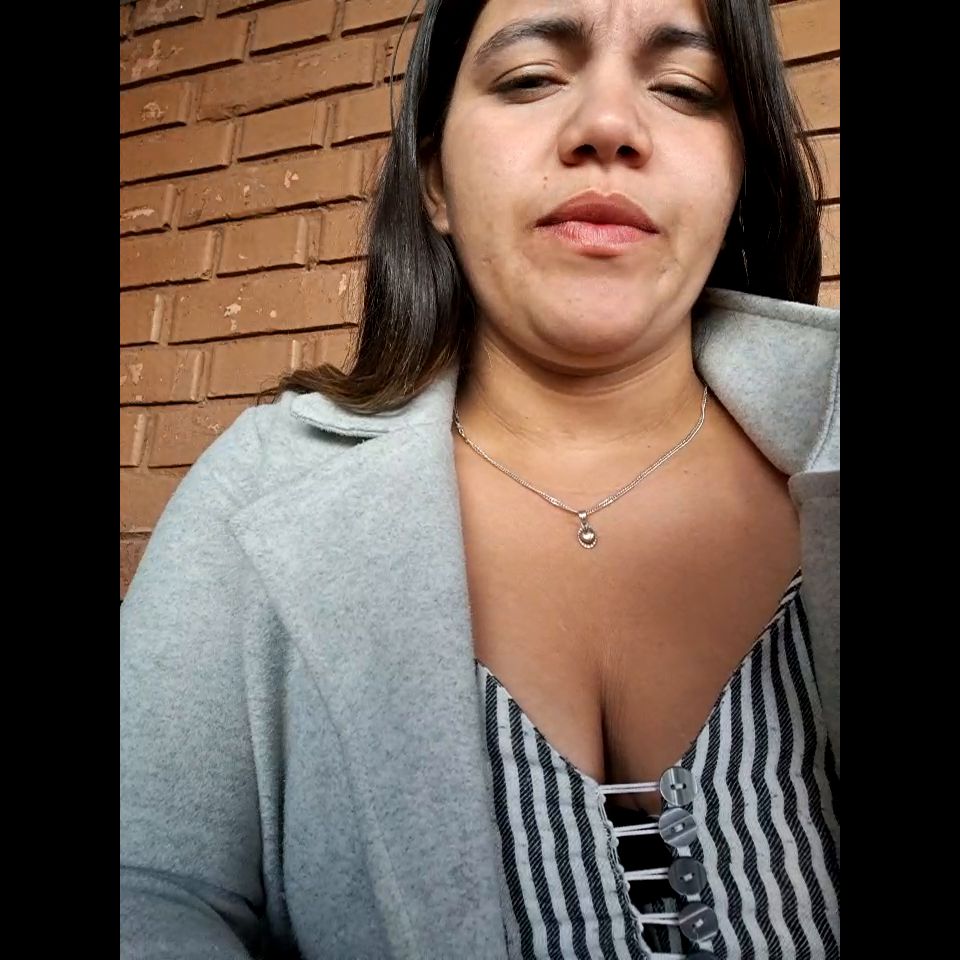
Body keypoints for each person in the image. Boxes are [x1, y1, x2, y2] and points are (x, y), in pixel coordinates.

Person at [120, 0, 839, 957]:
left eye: (685, 89)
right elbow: (147, 889)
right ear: (436, 185)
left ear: (738, 180)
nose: (609, 126)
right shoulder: (257, 489)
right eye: (531, 78)